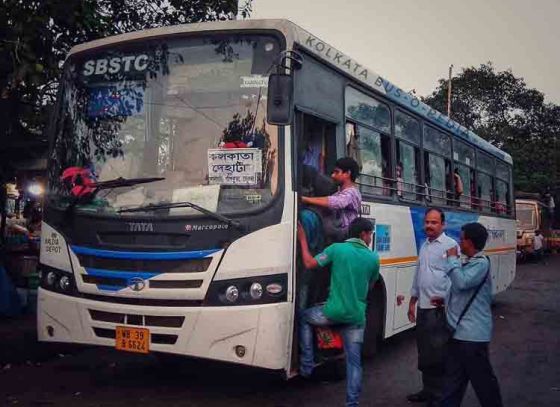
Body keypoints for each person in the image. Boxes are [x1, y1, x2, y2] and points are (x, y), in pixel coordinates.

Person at [297, 217, 380, 407]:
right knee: (354, 363)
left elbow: (309, 264)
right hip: (356, 318)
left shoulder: (337, 249)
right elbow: (370, 285)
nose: (370, 238)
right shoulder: (373, 258)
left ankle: (307, 365)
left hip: (332, 313)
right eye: (369, 235)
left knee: (304, 317)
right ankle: (352, 403)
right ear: (363, 234)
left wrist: (302, 239)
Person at [437, 222, 503, 407]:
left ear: (470, 243)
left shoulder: (481, 264)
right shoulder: (469, 262)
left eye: (462, 239)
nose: (459, 242)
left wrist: (451, 260)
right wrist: (444, 301)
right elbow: (459, 293)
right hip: (459, 335)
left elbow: (461, 283)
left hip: (473, 337)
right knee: (452, 385)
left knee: (484, 385)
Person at [407, 208, 460, 405]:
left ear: (443, 225)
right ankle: (427, 391)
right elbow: (418, 275)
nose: (429, 225)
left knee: (438, 354)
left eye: (434, 222)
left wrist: (447, 301)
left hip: (439, 310)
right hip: (423, 307)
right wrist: (412, 301)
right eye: (427, 222)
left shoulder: (451, 245)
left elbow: (456, 279)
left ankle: (439, 397)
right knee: (424, 352)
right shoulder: (425, 246)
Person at [302, 157, 362, 242]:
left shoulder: (352, 192)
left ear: (348, 173)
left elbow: (338, 202)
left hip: (344, 238)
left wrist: (306, 199)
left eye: (337, 172)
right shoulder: (339, 193)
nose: (332, 176)